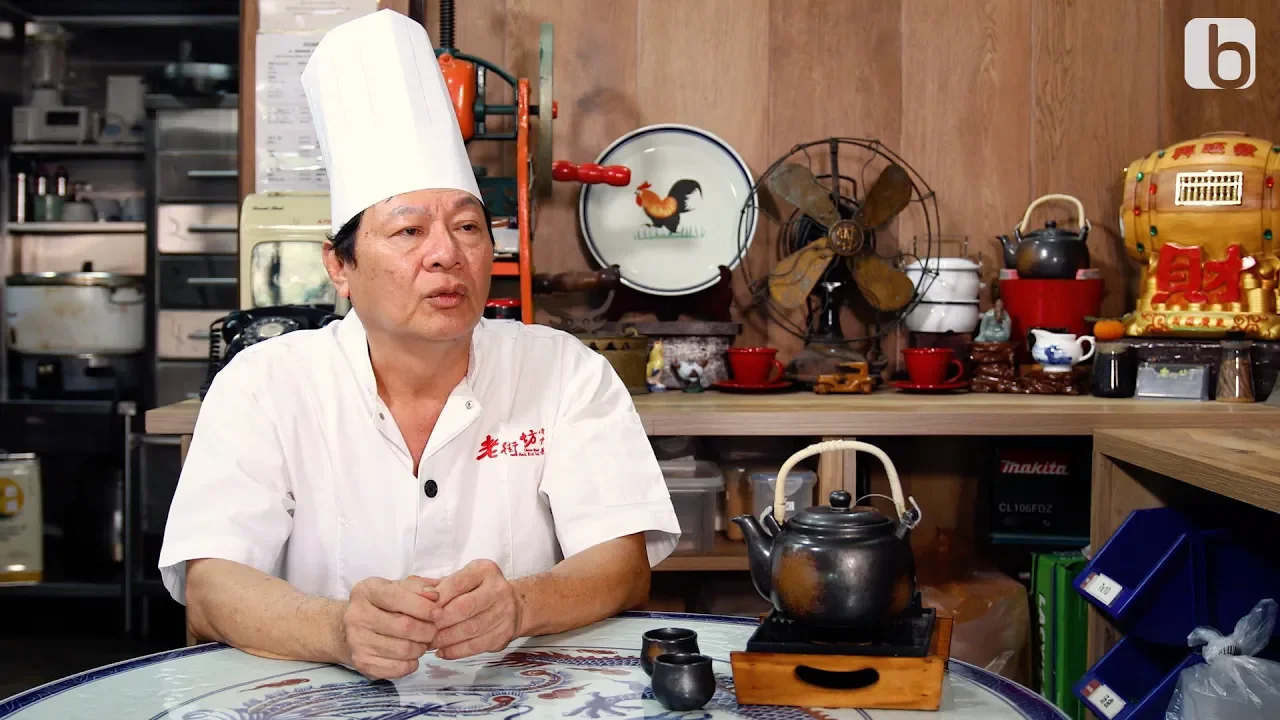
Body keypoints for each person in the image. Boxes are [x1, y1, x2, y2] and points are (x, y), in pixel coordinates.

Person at [157, 9, 680, 682]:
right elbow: (210, 588)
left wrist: (520, 604)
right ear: (339, 266)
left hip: (519, 699)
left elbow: (623, 564)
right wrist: (336, 628)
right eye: (408, 232)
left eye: (467, 226)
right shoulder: (265, 385)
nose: (446, 255)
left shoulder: (564, 372)